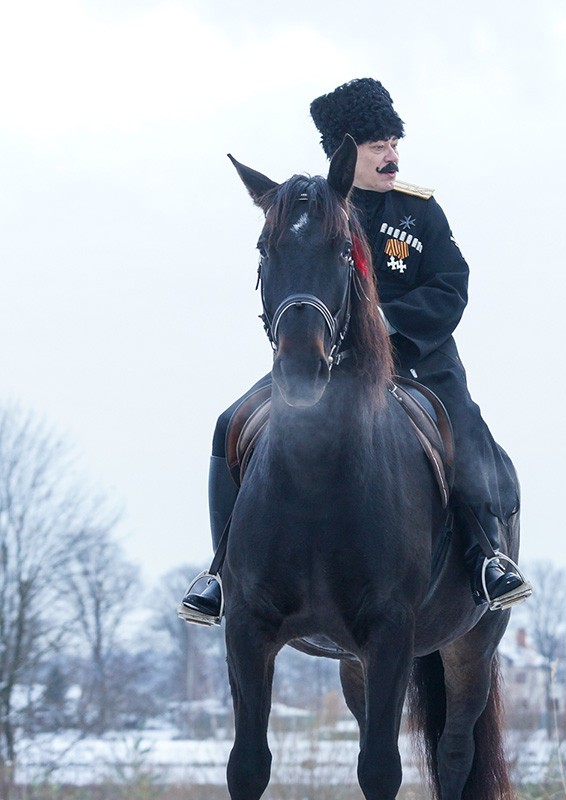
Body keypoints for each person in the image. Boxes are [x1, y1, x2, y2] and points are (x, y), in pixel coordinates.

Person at [180, 77, 529, 624]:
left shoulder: (420, 212)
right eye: (377, 148)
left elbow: (451, 283)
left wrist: (387, 326)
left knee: (466, 431)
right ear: (344, 154)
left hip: (418, 360)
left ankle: (487, 557)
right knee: (230, 423)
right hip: (327, 362)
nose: (391, 158)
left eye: (394, 144)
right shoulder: (313, 212)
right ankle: (222, 572)